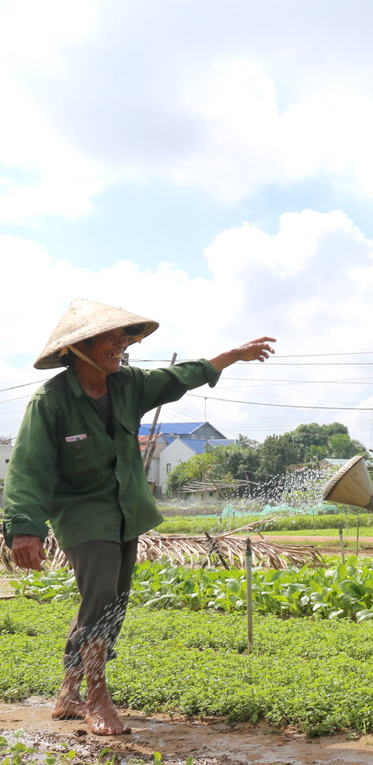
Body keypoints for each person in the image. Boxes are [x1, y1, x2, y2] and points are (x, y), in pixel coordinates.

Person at [2, 299, 276, 735]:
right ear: (79, 347)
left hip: (125, 509)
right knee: (102, 596)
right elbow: (28, 469)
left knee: (111, 600)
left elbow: (178, 377)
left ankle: (67, 695)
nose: (122, 344)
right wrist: (23, 529)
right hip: (80, 513)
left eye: (124, 337)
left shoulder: (128, 384)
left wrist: (231, 356)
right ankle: (96, 699)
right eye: (111, 337)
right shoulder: (49, 402)